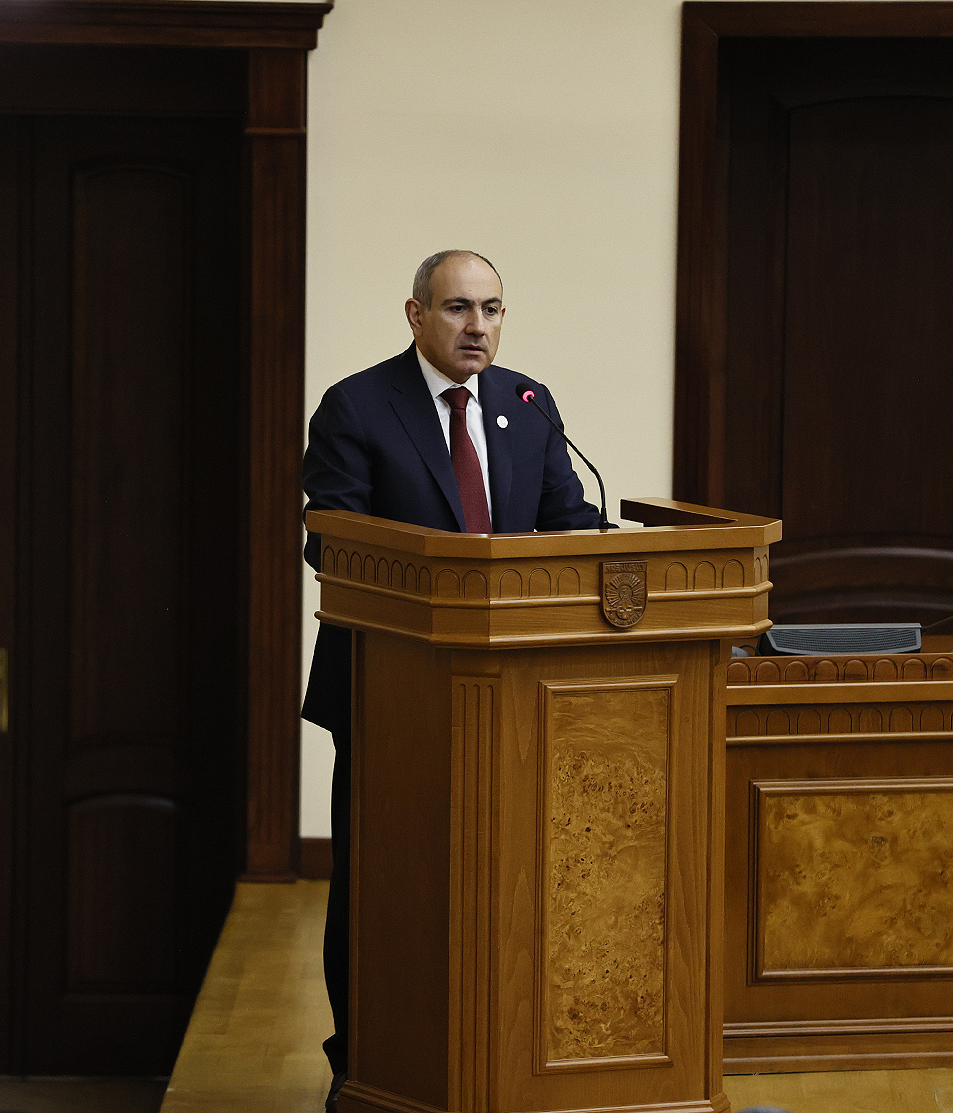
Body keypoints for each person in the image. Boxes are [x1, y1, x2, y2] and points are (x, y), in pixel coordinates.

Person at [301, 250, 602, 1109]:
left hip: (520, 695)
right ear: (416, 315)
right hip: (393, 692)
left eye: (492, 309)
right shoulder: (358, 405)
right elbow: (333, 543)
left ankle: (513, 1055)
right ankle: (366, 1059)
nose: (478, 327)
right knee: (384, 882)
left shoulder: (527, 403)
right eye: (459, 308)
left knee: (517, 879)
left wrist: (608, 554)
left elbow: (568, 525)